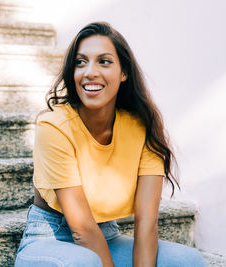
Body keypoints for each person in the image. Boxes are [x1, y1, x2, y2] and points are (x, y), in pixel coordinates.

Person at [15, 22, 206, 267]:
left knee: (187, 260)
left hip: (108, 236)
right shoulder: (54, 126)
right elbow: (82, 230)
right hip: (49, 237)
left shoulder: (142, 127)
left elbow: (146, 225)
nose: (90, 72)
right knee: (84, 263)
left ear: (123, 72)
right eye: (80, 62)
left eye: (104, 61)